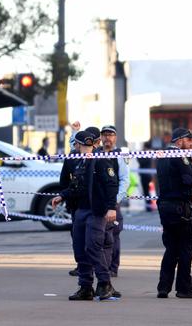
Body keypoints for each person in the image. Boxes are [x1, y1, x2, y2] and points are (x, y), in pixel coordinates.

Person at [52, 130, 120, 301]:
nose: (86, 148)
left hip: (96, 211)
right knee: (80, 249)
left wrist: (112, 208)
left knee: (93, 246)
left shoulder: (101, 160)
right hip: (80, 209)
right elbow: (76, 186)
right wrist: (63, 196)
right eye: (85, 145)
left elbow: (112, 184)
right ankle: (85, 287)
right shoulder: (79, 161)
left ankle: (105, 284)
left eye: (88, 146)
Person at [155, 128, 192, 300]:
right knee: (185, 249)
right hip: (180, 208)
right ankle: (184, 288)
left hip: (165, 207)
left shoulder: (162, 157)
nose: (191, 143)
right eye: (189, 140)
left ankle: (163, 287)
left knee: (171, 249)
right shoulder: (180, 156)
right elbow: (190, 179)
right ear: (180, 140)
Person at [98, 125, 129, 278]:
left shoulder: (119, 156)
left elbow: (125, 180)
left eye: (110, 135)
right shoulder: (96, 154)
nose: (107, 138)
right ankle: (101, 266)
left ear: (115, 137)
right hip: (98, 203)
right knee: (99, 236)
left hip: (113, 203)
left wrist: (115, 201)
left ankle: (112, 267)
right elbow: (77, 148)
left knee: (113, 237)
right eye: (104, 135)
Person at [61, 133, 81, 277]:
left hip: (95, 205)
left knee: (96, 239)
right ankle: (81, 265)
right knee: (77, 236)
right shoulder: (71, 158)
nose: (77, 146)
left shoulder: (98, 157)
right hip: (76, 204)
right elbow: (64, 181)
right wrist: (65, 196)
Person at [138, 141, 155, 211]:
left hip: (145, 175)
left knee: (146, 191)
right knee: (148, 191)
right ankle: (149, 206)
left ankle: (149, 206)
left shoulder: (146, 153)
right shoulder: (150, 153)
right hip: (148, 175)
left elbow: (141, 162)